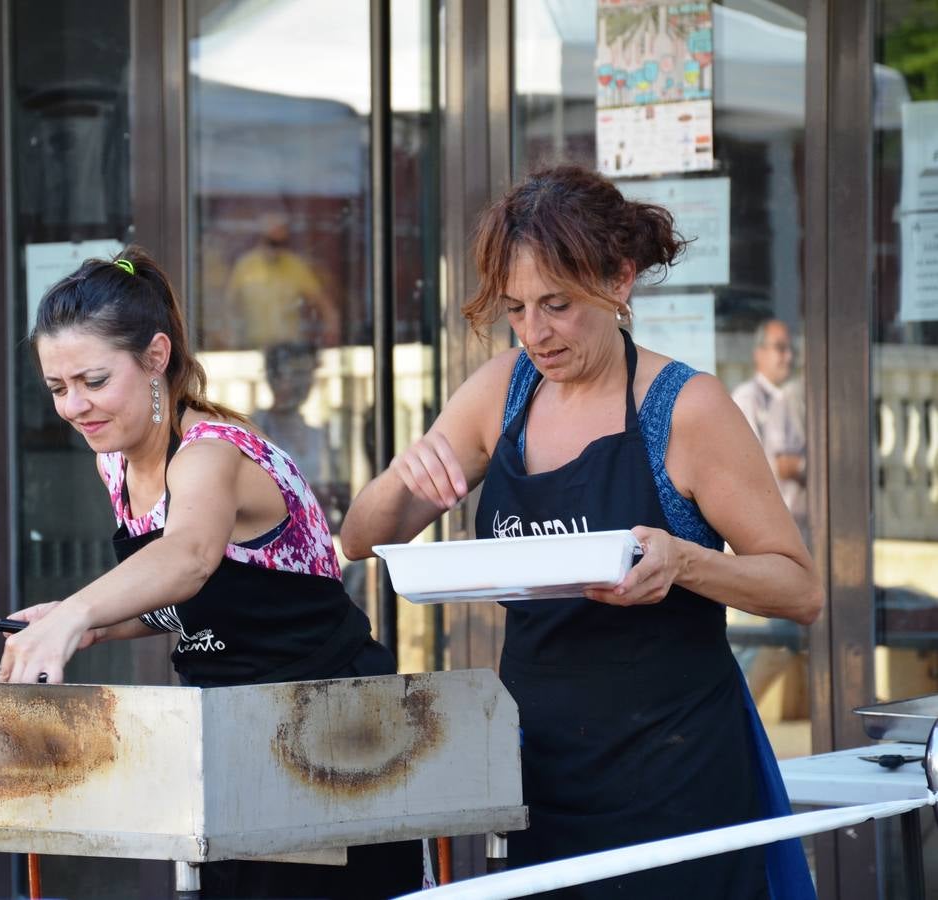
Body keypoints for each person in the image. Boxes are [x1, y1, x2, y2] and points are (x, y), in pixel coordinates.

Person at [340, 166, 822, 899]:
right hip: (539, 777)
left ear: (620, 281)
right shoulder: (505, 391)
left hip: (679, 781)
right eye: (517, 309)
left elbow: (801, 588)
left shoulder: (685, 408)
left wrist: (684, 562)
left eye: (557, 305)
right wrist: (404, 474)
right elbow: (360, 539)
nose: (536, 332)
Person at [0, 247, 423, 899]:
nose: (75, 407)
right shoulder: (115, 460)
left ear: (156, 358)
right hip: (229, 735)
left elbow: (191, 560)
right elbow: (197, 601)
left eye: (93, 381)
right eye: (58, 388)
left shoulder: (211, 454)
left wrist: (80, 612)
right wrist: (89, 626)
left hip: (337, 731)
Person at [732, 319, 808, 541]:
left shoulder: (788, 397)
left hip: (796, 523)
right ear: (760, 353)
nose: (788, 357)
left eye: (790, 350)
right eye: (780, 348)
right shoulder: (748, 398)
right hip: (765, 527)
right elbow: (753, 465)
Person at [251, 341, 341, 521]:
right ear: (274, 378)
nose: (304, 383)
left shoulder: (318, 435)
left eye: (308, 374)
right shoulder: (254, 430)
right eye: (296, 373)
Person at [222, 215, 341, 349]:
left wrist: (331, 325)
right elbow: (229, 305)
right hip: (254, 346)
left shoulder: (294, 266)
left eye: (282, 243)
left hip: (288, 349)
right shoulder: (245, 267)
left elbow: (322, 302)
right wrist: (228, 335)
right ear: (261, 239)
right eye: (272, 242)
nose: (276, 249)